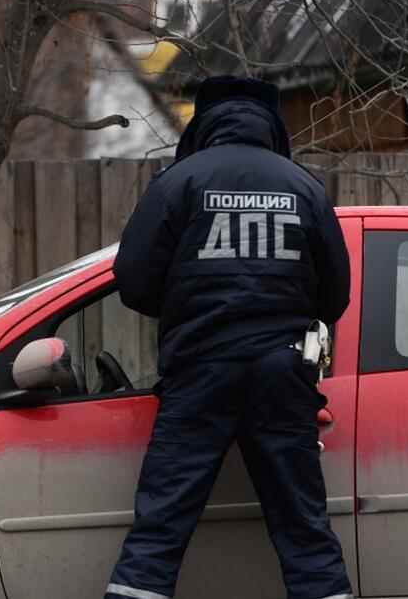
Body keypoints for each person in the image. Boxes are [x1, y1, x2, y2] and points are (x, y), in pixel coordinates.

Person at [105, 75, 353, 599]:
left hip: (200, 372)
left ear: (203, 123)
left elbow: (133, 281)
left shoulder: (178, 183)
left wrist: (185, 307)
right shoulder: (304, 187)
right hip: (283, 375)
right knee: (305, 528)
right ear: (272, 124)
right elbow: (334, 298)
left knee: (159, 529)